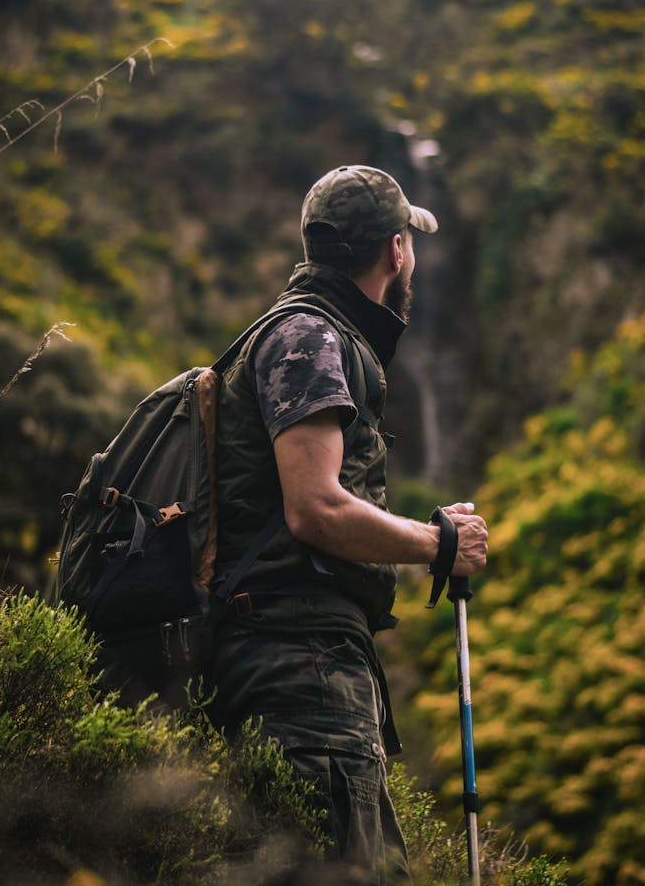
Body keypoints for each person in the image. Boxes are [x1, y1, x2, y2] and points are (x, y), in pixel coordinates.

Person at [210, 165, 488, 882]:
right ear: (397, 250)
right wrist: (438, 544)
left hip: (301, 661)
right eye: (409, 245)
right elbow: (317, 510)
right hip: (297, 667)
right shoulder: (310, 339)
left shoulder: (307, 332)